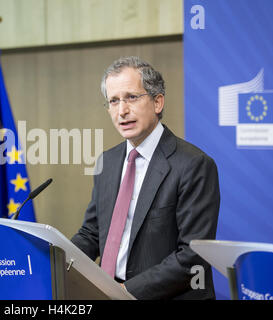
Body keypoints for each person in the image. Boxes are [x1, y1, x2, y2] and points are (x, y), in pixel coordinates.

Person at [71, 56, 220, 300]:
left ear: (157, 102)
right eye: (114, 101)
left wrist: (125, 292)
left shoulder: (194, 165)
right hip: (107, 291)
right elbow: (92, 233)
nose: (122, 111)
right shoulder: (107, 162)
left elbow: (193, 256)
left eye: (131, 97)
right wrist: (53, 260)